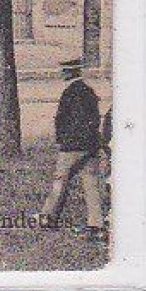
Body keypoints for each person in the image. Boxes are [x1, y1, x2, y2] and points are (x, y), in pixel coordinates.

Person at [39, 60, 106, 240]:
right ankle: (96, 223)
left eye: (64, 71)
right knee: (91, 183)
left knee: (60, 181)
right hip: (90, 146)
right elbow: (94, 119)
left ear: (69, 73)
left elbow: (65, 121)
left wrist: (63, 141)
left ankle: (48, 217)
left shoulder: (69, 93)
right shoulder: (88, 91)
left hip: (72, 146)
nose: (61, 74)